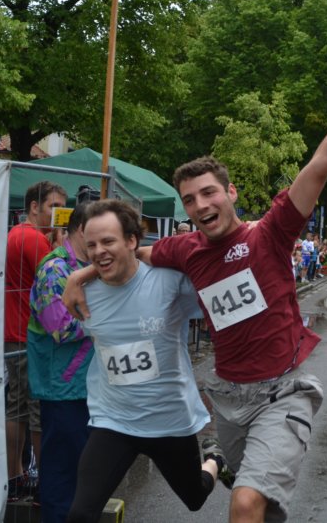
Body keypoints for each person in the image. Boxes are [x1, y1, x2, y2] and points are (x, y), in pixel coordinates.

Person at [64, 28, 327, 522]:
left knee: (245, 502)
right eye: (190, 199)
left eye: (209, 193)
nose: (200, 205)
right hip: (230, 400)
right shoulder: (185, 251)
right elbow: (129, 251)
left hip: (282, 391)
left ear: (230, 192)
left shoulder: (270, 234)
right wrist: (82, 273)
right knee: (259, 509)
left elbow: (319, 167)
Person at [66, 200, 231, 522]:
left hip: (169, 422)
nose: (99, 251)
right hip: (114, 421)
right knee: (81, 514)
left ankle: (214, 461)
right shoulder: (83, 293)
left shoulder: (169, 281)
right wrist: (79, 276)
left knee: (195, 498)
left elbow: (216, 272)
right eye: (91, 245)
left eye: (108, 241)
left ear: (132, 240)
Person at [27, 203, 94, 522]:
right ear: (81, 229)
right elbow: (60, 328)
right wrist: (106, 321)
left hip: (84, 386)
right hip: (63, 390)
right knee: (62, 474)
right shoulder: (55, 269)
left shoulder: (84, 266)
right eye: (99, 234)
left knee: (82, 473)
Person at [5, 180, 67, 499]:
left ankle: (16, 475)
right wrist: (61, 245)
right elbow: (57, 280)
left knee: (17, 404)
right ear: (34, 206)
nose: (59, 215)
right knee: (35, 408)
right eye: (54, 207)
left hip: (14, 332)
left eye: (63, 209)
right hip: (27, 335)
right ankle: (43, 480)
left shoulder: (17, 233)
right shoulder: (33, 238)